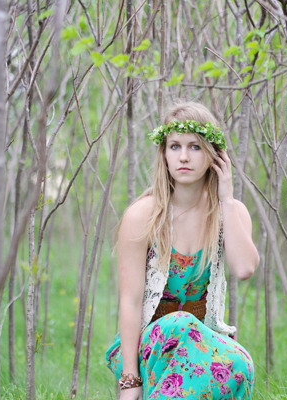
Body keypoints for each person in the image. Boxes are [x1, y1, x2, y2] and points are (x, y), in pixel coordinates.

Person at [105, 101, 260, 399]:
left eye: (195, 147)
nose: (184, 157)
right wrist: (130, 380)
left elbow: (244, 269)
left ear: (214, 155)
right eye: (175, 146)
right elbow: (130, 301)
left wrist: (227, 199)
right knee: (180, 323)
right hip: (149, 343)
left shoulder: (230, 212)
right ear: (164, 154)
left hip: (200, 341)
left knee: (241, 362)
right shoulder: (143, 215)